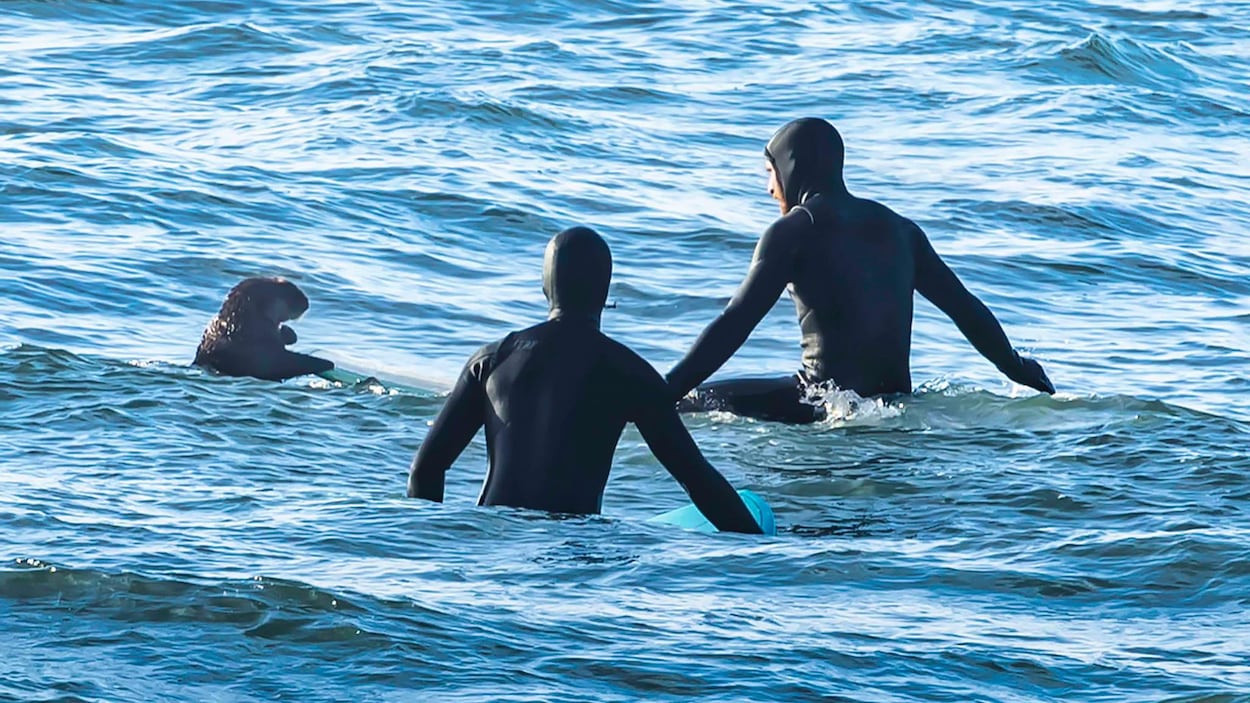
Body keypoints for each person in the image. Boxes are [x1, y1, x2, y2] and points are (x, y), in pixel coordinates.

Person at [667, 117, 1054, 424]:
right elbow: (964, 308)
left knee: (693, 402)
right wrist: (1016, 366)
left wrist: (666, 389)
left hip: (826, 402)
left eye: (769, 172)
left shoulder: (793, 231)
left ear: (791, 167)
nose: (769, 188)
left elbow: (735, 321)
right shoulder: (902, 230)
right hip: (894, 402)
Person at [407, 226, 763, 534]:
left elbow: (426, 469)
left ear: (545, 286)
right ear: (605, 293)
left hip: (493, 541)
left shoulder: (491, 360)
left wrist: (435, 549)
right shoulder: (629, 372)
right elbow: (698, 480)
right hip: (574, 550)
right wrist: (762, 549)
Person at [194, 277, 335, 382]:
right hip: (238, 380)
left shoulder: (218, 326)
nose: (280, 322)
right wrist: (321, 365)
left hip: (206, 376)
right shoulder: (255, 332)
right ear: (276, 303)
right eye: (282, 318)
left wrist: (280, 336)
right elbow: (273, 365)